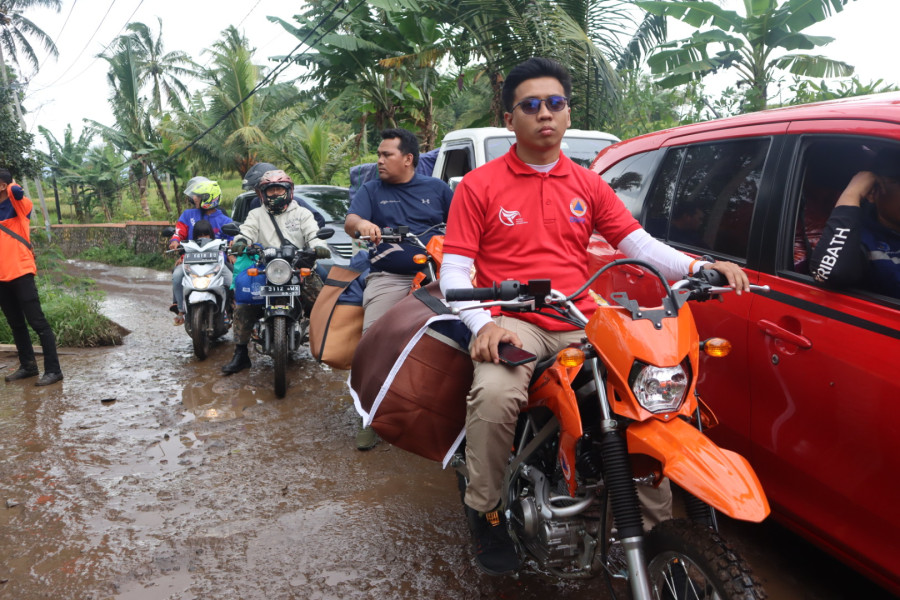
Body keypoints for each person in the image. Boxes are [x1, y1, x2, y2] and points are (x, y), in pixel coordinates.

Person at [438, 57, 750, 576]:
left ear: (567, 114)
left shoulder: (587, 184)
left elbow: (639, 244)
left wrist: (700, 266)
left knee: (651, 397)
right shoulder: (479, 185)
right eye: (531, 105)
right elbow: (455, 267)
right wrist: (482, 323)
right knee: (495, 393)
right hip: (515, 319)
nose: (545, 114)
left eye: (555, 104)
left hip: (581, 315)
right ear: (510, 117)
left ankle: (656, 536)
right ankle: (485, 509)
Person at [344, 128, 454, 450]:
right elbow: (352, 220)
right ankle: (369, 417)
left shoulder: (437, 189)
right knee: (373, 338)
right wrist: (362, 225)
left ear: (408, 159)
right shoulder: (371, 190)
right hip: (389, 276)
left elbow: (464, 221)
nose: (379, 160)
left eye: (386, 154)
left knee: (462, 332)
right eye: (378, 154)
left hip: (437, 275)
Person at [222, 170, 331, 374]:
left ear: (289, 191)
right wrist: (241, 242)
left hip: (298, 267)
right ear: (263, 193)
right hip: (267, 268)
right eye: (270, 190)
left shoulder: (302, 213)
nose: (274, 194)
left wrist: (318, 246)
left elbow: (313, 234)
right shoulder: (256, 214)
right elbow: (246, 231)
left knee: (323, 306)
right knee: (244, 305)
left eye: (279, 188)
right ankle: (241, 354)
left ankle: (326, 349)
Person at [0, 168, 64, 386]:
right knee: (16, 324)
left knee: (38, 323)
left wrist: (10, 184)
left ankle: (54, 370)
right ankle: (28, 366)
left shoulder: (18, 205)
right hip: (2, 277)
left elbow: (17, 192)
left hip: (21, 272)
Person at [810, 148, 900, 298]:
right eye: (898, 181)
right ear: (872, 192)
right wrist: (852, 193)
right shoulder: (858, 240)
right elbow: (828, 273)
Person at [168, 180, 234, 325]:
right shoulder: (187, 215)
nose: (195, 198)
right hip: (191, 260)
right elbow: (179, 232)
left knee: (234, 280)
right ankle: (181, 309)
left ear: (210, 197)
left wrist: (232, 251)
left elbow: (233, 238)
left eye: (199, 196)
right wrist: (175, 241)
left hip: (218, 262)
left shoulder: (225, 220)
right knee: (177, 275)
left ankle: (232, 307)